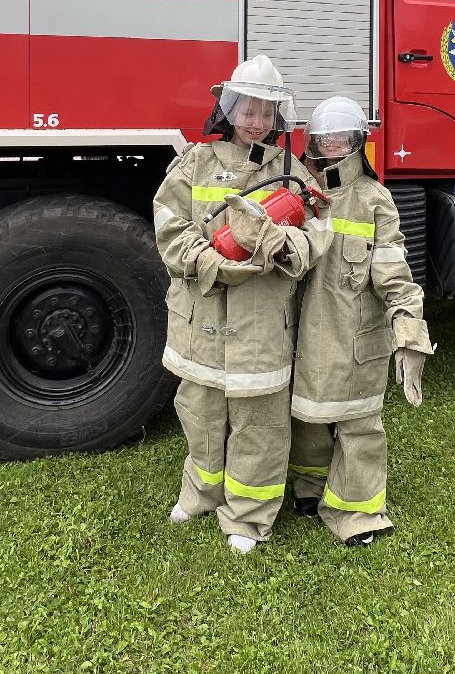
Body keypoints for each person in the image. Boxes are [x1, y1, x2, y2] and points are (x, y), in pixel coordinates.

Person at [153, 56, 327, 553]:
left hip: (261, 326)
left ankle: (247, 517)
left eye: (267, 113)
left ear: (277, 119)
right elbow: (168, 222)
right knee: (200, 411)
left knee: (260, 423)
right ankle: (201, 494)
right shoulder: (194, 164)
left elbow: (318, 233)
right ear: (230, 110)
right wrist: (207, 260)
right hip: (201, 321)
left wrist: (285, 247)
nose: (257, 121)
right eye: (249, 110)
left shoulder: (292, 172)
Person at [288, 96, 435, 546]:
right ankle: (309, 489)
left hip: (354, 337)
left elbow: (394, 270)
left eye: (342, 137)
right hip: (304, 336)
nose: (332, 145)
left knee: (358, 426)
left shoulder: (375, 199)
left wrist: (409, 324)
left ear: (357, 142)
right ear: (313, 141)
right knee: (308, 420)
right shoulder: (297, 193)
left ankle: (356, 513)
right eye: (324, 138)